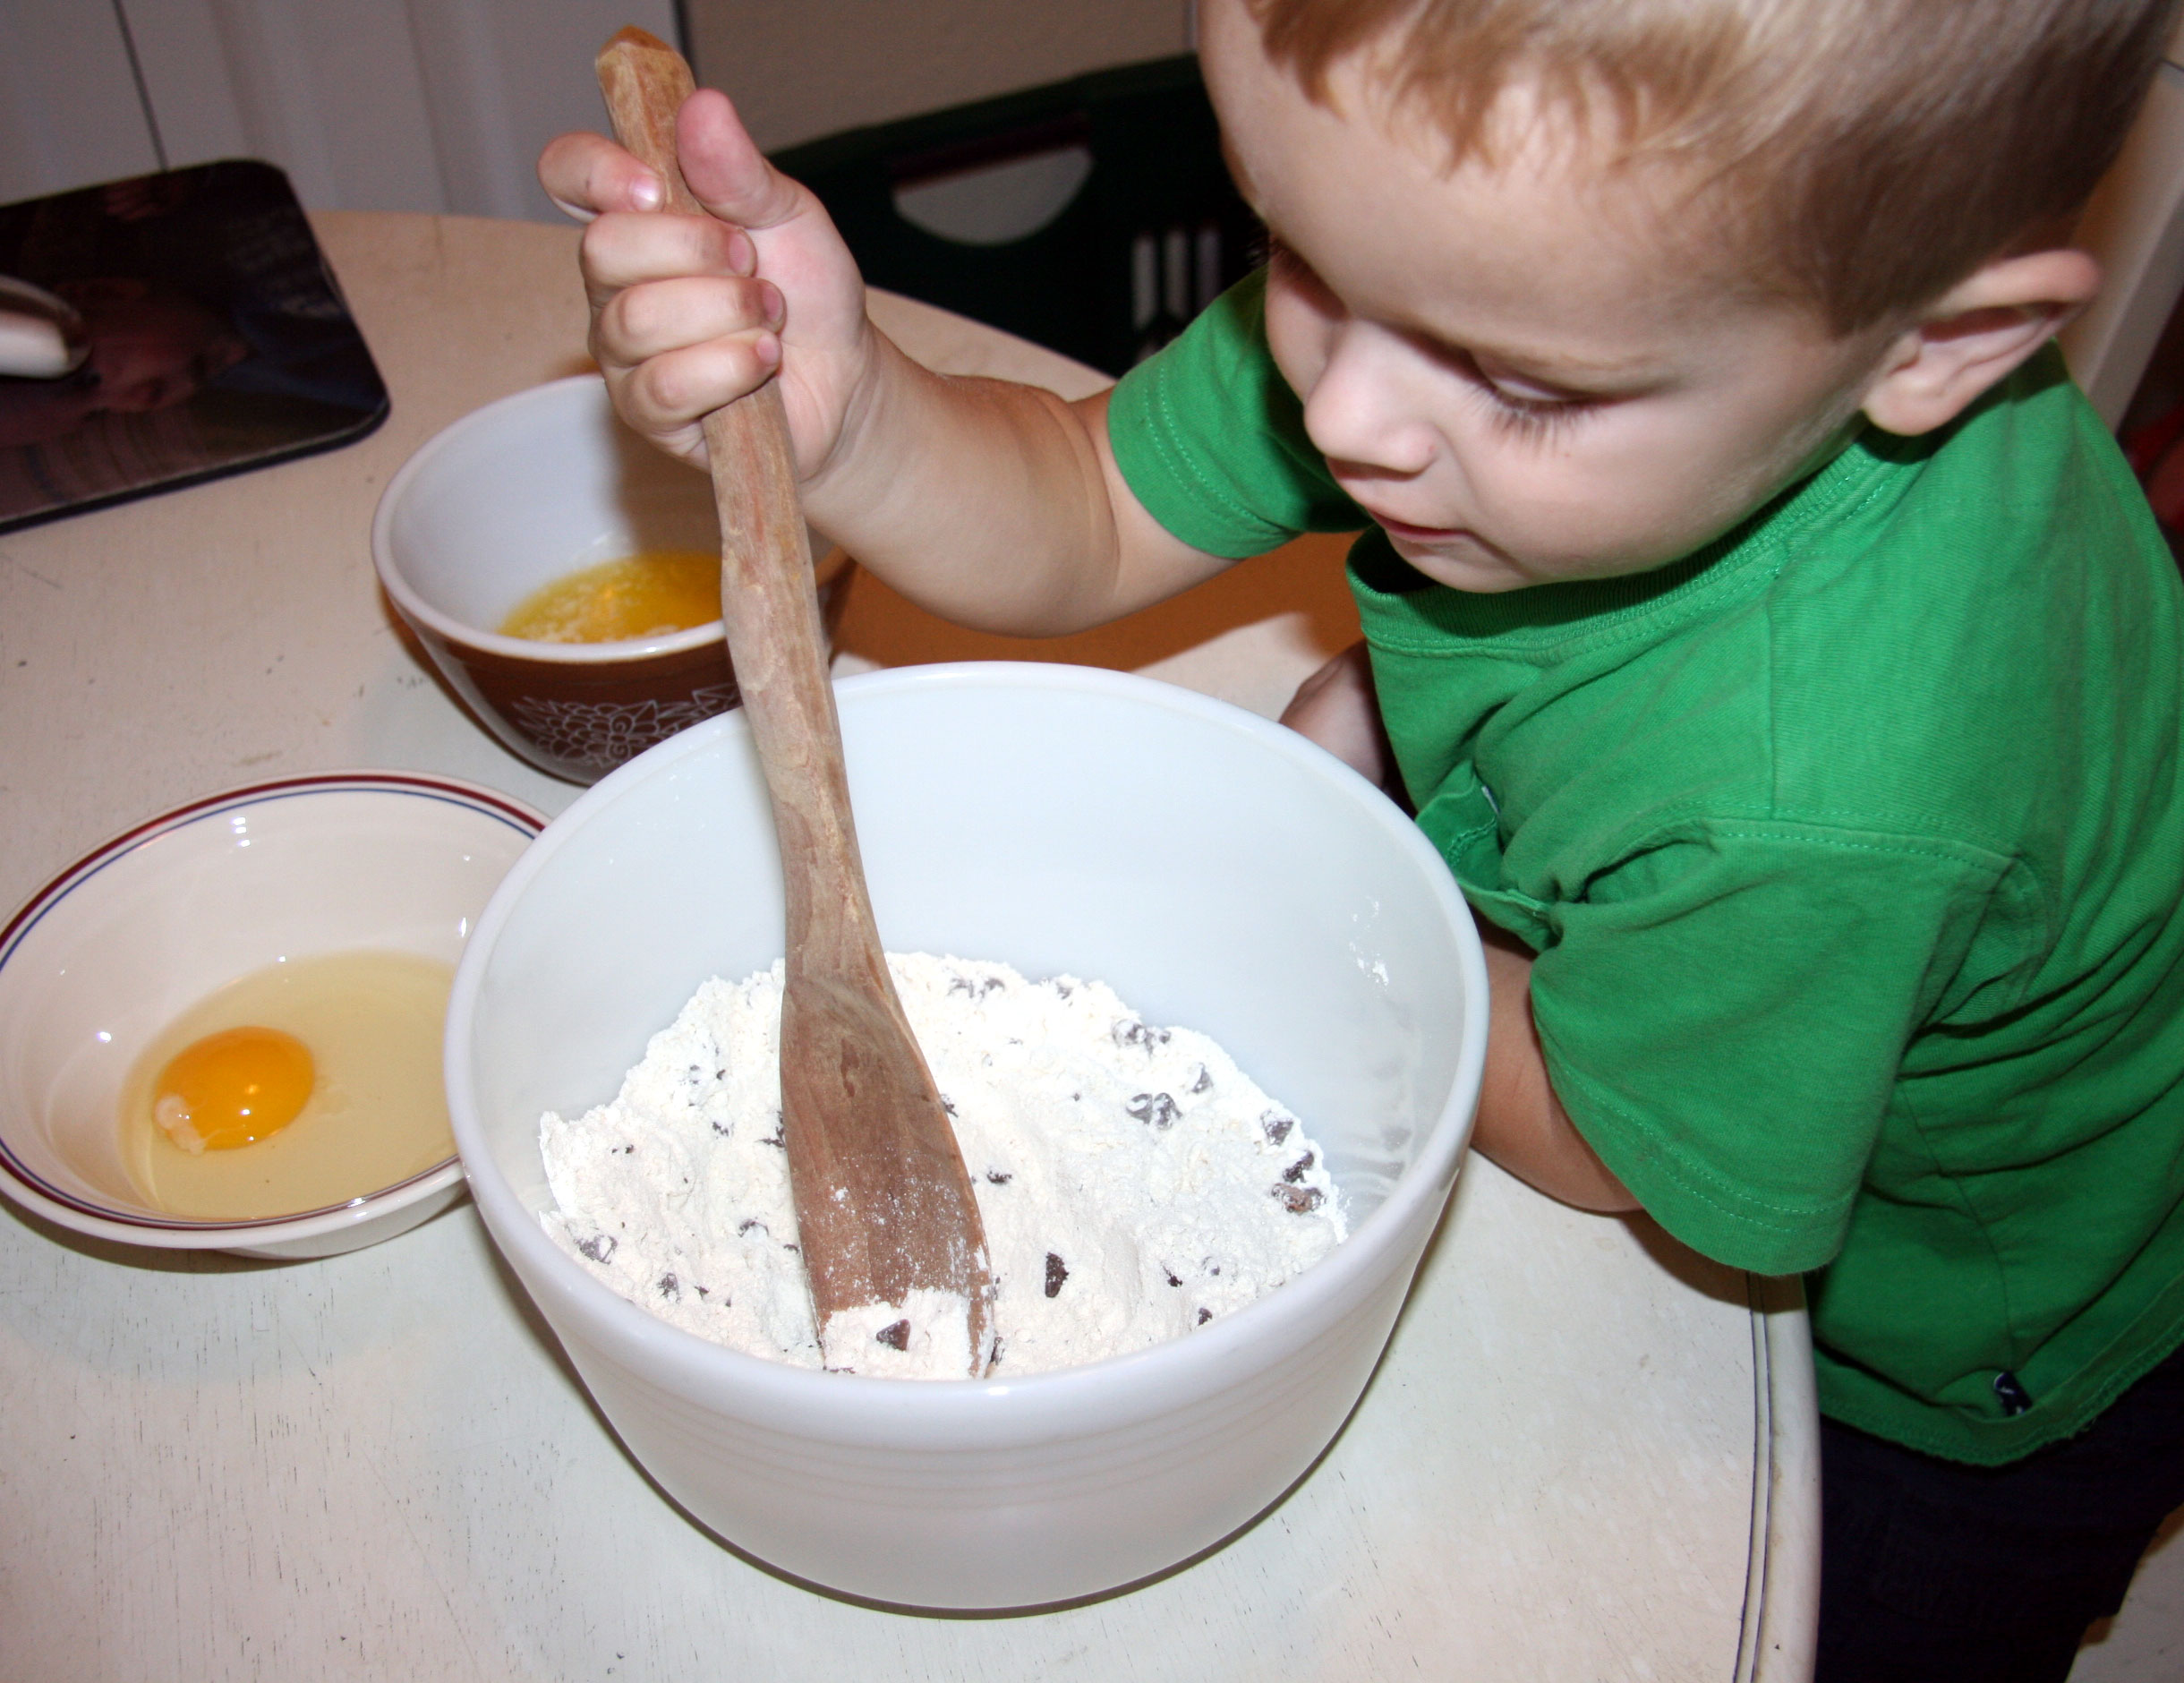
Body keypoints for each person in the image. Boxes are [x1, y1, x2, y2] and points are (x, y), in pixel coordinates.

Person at [539, 1, 2184, 1674]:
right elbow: (1090, 507)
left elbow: (1613, 1143)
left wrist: (1333, 871)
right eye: (1300, 253)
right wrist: (855, 415)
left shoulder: (1830, 791)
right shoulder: (1494, 300)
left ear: (1937, 347)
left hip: (1962, 1363)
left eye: (1523, 384)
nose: (1345, 421)